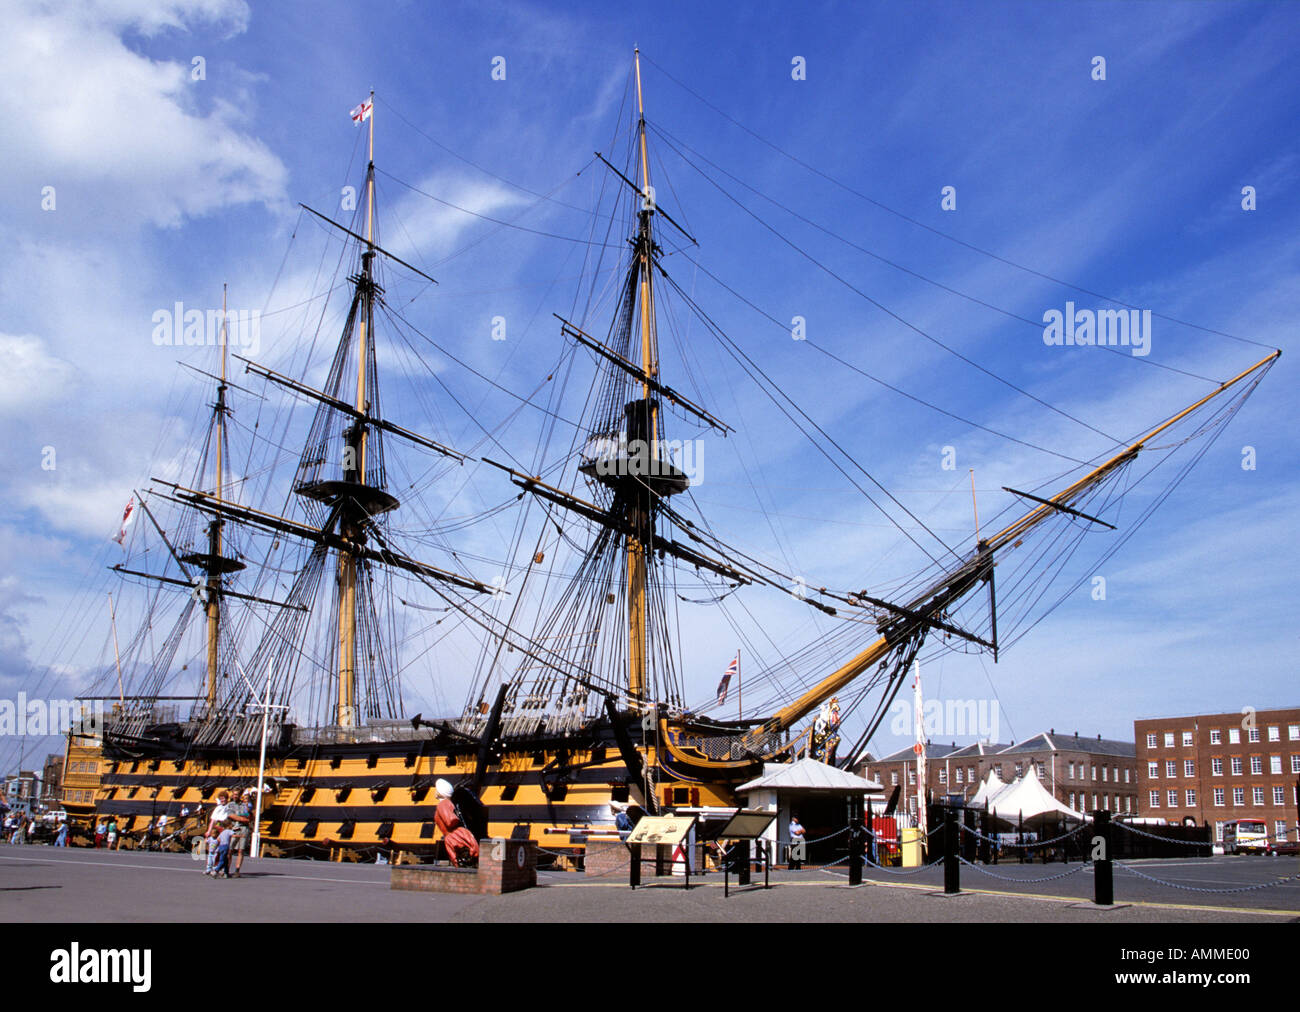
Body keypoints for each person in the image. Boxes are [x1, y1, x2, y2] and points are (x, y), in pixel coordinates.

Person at [433, 779, 479, 867]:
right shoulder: (448, 803)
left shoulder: (442, 804)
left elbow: (451, 820)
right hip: (455, 834)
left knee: (459, 860)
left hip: (453, 836)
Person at [226, 789, 254, 877]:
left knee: (240, 850)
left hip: (243, 829)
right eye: (234, 794)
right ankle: (226, 869)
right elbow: (231, 815)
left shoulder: (244, 805)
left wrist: (248, 813)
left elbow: (250, 817)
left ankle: (237, 870)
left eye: (237, 794)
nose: (235, 796)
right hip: (234, 829)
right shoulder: (230, 805)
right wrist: (243, 819)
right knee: (230, 850)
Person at [204, 791, 230, 876]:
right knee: (212, 850)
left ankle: (220, 868)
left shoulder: (229, 807)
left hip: (224, 828)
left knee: (221, 851)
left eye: (224, 798)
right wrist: (209, 831)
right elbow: (213, 821)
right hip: (216, 829)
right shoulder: (218, 808)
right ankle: (209, 868)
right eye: (221, 799)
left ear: (227, 799)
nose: (222, 800)